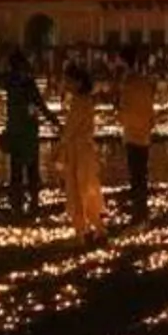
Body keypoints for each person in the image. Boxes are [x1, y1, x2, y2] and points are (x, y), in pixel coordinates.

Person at [1, 50, 60, 217]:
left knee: (16, 171)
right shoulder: (27, 84)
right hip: (27, 132)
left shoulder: (10, 84)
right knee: (32, 170)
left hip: (15, 131)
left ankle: (17, 205)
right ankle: (33, 204)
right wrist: (55, 122)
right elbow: (40, 105)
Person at [55, 64, 107, 245]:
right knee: (86, 189)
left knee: (78, 191)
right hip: (84, 151)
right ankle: (95, 229)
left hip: (78, 152)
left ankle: (83, 232)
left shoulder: (79, 102)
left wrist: (60, 154)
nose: (66, 84)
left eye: (68, 80)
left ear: (77, 82)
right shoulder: (85, 100)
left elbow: (69, 131)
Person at [116, 47, 157, 228]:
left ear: (124, 62)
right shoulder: (144, 82)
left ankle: (139, 214)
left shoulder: (128, 83)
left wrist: (121, 118)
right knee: (142, 175)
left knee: (136, 177)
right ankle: (143, 213)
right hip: (144, 134)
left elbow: (125, 110)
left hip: (133, 134)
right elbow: (149, 108)